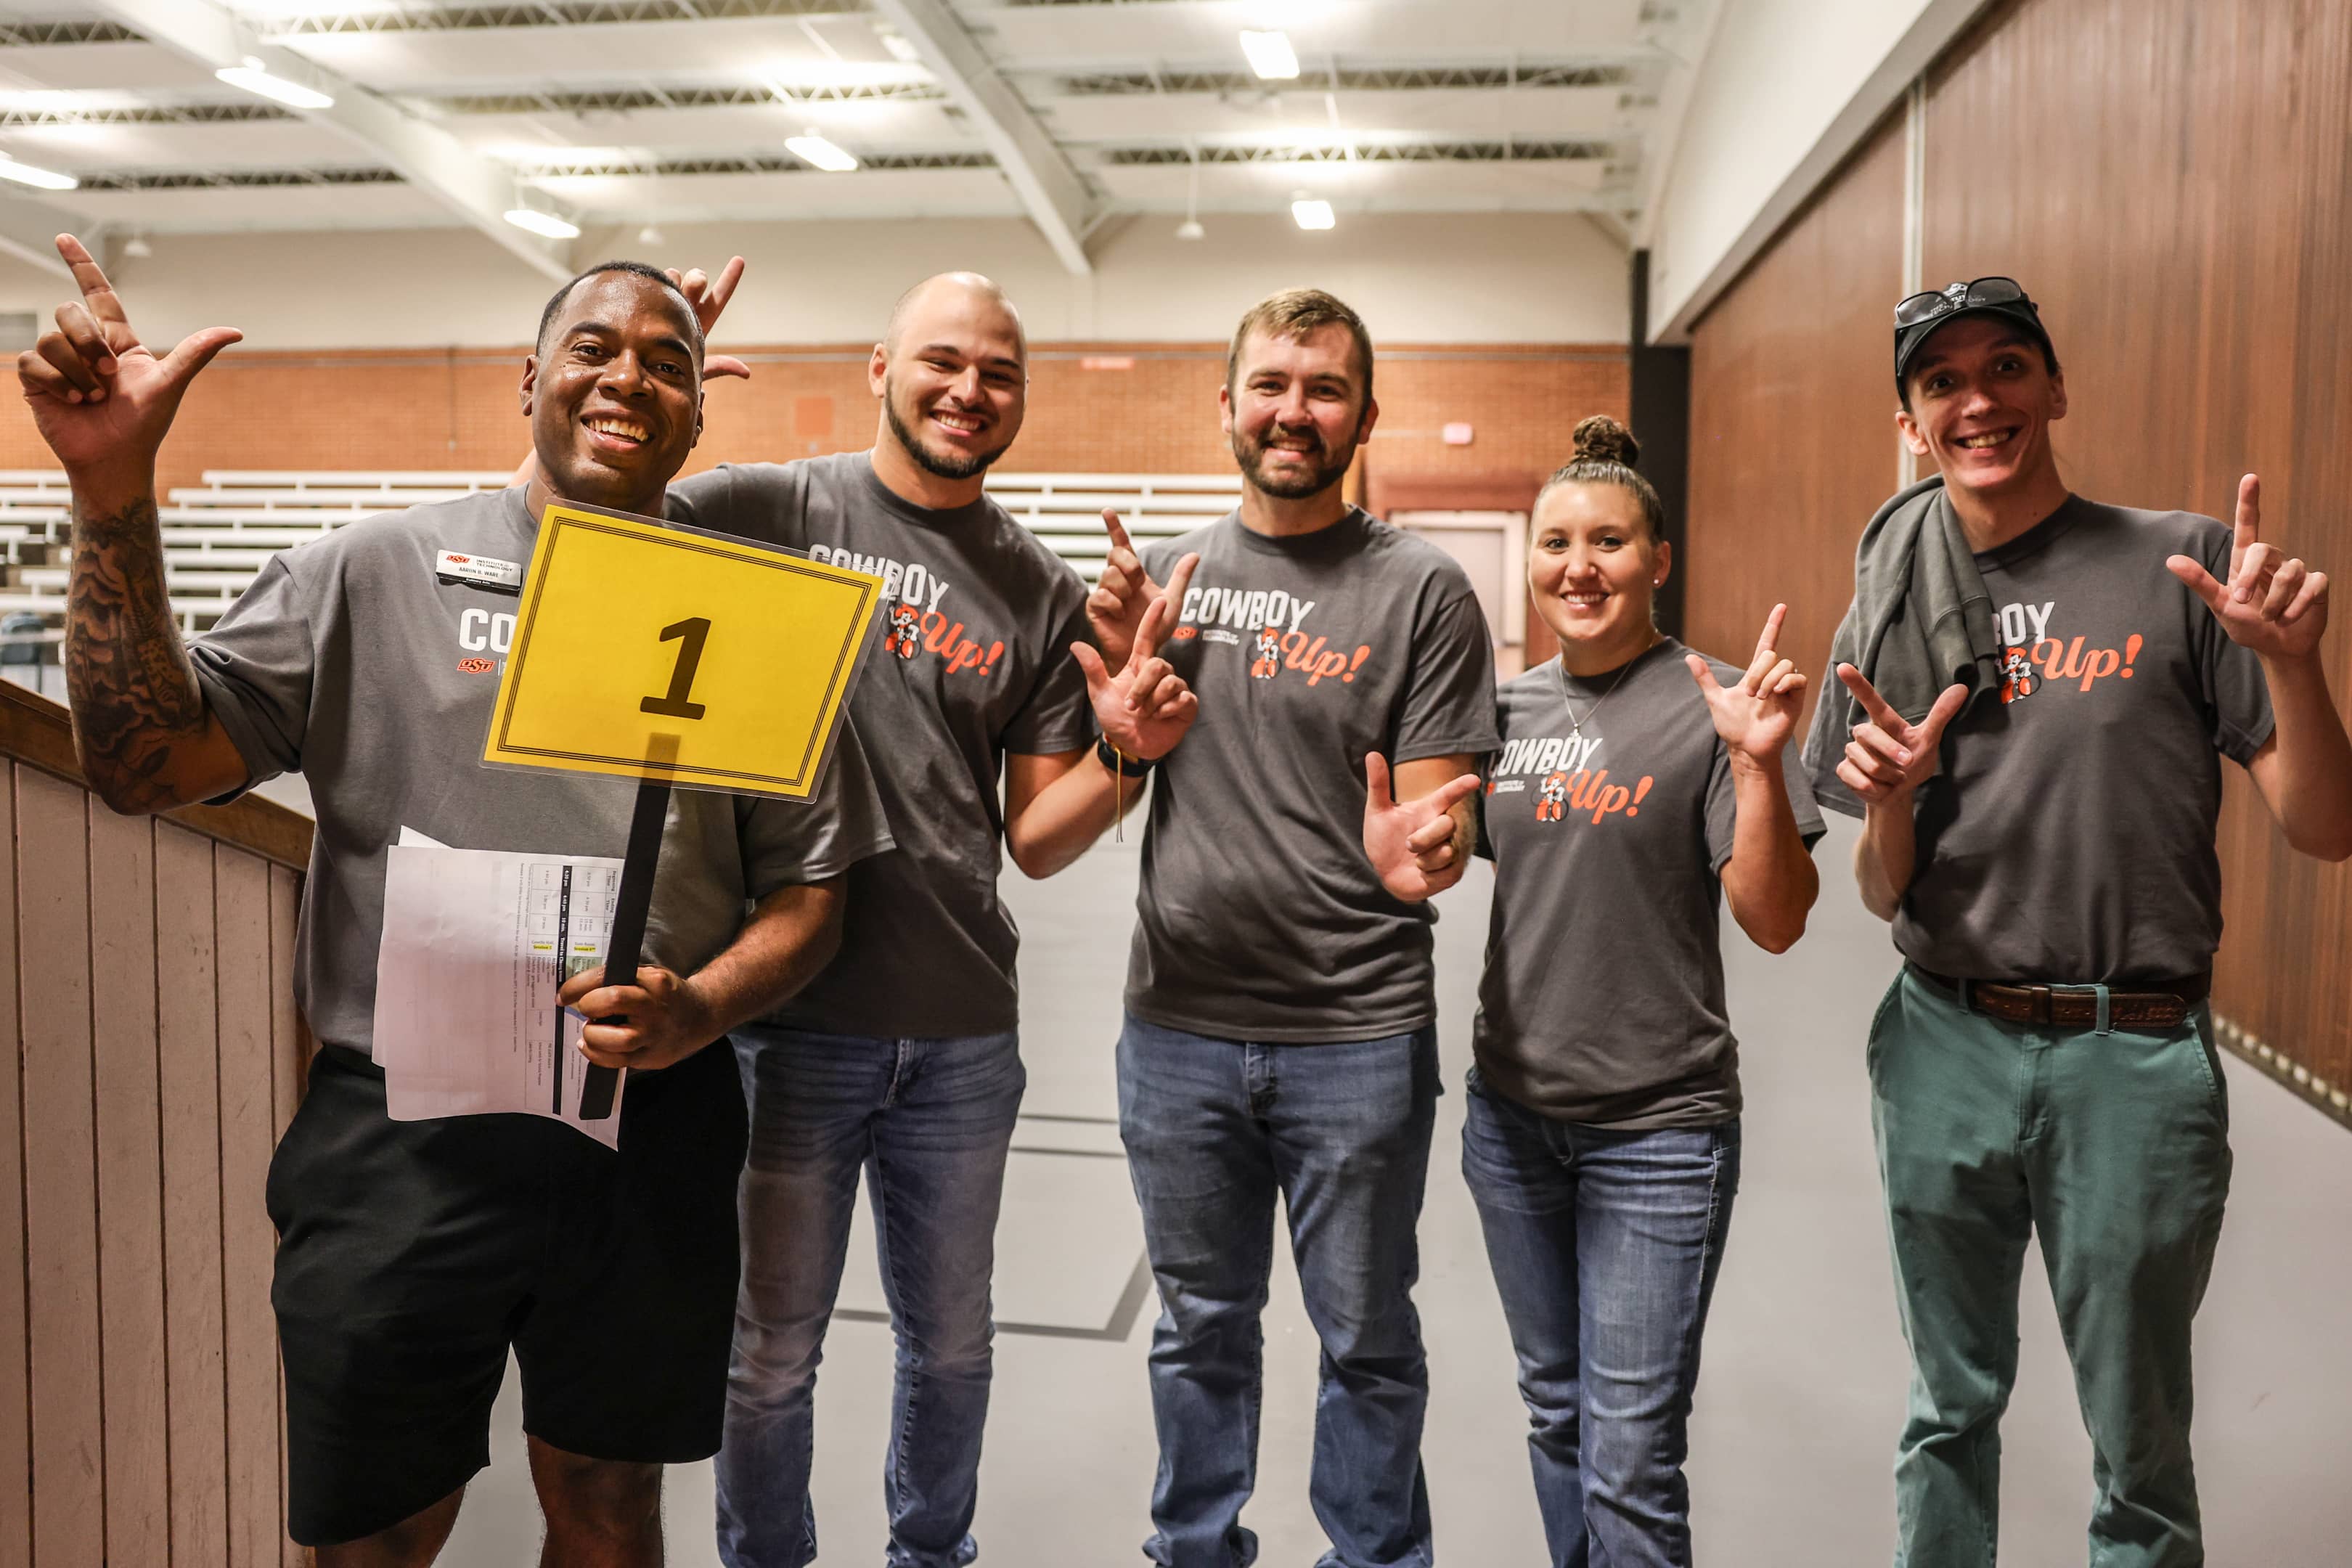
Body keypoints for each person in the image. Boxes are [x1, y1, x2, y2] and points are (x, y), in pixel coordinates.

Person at [15, 235, 901, 1565]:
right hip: (398, 1135)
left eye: (670, 362)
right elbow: (143, 764)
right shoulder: (370, 573)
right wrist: (111, 486)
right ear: (528, 376)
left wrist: (699, 1008)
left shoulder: (749, 615)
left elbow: (810, 896)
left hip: (645, 1125)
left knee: (608, 1509)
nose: (628, 380)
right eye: (594, 349)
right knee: (377, 1531)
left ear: (704, 411)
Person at [1803, 277, 2352, 1568]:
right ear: (1911, 421)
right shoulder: (1892, 597)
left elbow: (2324, 827)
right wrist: (1895, 806)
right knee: (1949, 1412)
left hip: (2136, 1053)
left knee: (2140, 1439)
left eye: (2005, 369)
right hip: (1945, 1039)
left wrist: (2291, 662)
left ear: (2056, 390)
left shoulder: (2181, 563)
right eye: (1942, 382)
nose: (1978, 400)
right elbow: (1883, 893)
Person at [657, 269, 1199, 1568]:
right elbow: (593, 517)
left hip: (957, 1034)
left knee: (951, 1345)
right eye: (943, 361)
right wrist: (663, 380)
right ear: (879, 365)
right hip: (782, 1019)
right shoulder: (766, 508)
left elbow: (1034, 838)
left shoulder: (1032, 585)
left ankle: (929, 1555)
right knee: (770, 1353)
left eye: (999, 372)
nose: (969, 390)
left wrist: (1129, 757)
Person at [1085, 287, 1500, 1568]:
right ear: (1226, 407)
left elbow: (1437, 817)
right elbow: (1111, 775)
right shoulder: (1170, 583)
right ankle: (1193, 1550)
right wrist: (1123, 746)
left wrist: (1424, 844)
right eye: (1270, 384)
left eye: (1324, 390)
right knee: (1198, 1330)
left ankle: (1374, 1558)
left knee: (1367, 1336)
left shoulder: (1424, 590)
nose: (1294, 411)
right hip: (1180, 1034)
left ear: (1365, 415)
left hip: (1356, 1037)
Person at [1365, 415, 1821, 1567]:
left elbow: (1774, 918)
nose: (1580, 567)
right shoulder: (1506, 713)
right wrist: (1417, 855)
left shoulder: (1714, 706)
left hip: (1656, 1132)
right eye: (1557, 543)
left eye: (1609, 543)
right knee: (1559, 1413)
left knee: (1629, 1454)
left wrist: (1759, 767)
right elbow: (1445, 843)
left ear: (1657, 560)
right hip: (1515, 1124)